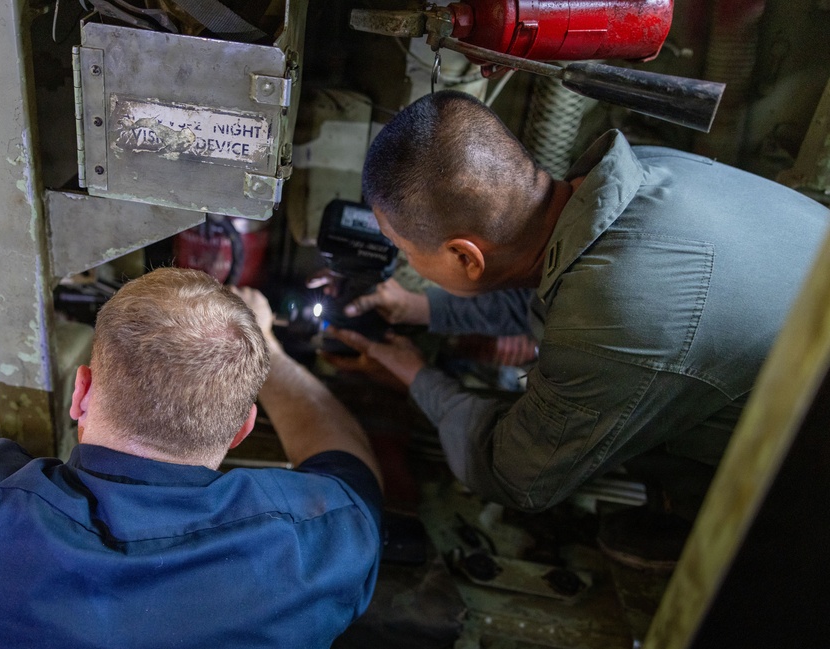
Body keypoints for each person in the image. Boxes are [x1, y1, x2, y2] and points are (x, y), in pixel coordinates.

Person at [331, 90, 829, 522]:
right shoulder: (642, 174)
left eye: (405, 247)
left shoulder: (618, 308)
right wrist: (423, 307)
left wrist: (415, 377)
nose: (402, 254)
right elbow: (558, 298)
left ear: (464, 255)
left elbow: (516, 476)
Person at [0, 268, 382, 649]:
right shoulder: (318, 546)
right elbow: (344, 457)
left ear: (81, 391)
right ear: (243, 429)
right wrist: (268, 350)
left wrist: (12, 353)